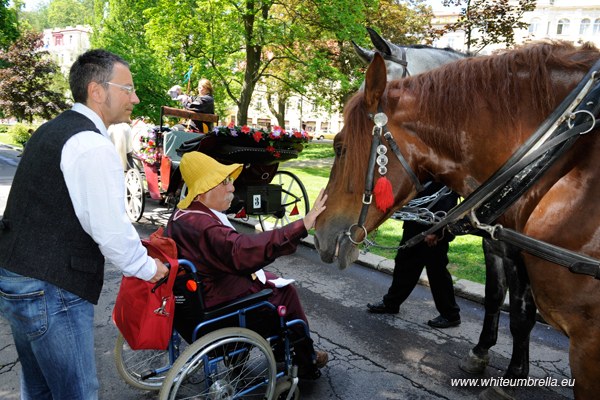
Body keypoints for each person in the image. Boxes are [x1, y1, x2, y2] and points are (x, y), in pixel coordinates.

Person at [0, 49, 169, 400]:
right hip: (51, 286)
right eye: (128, 88)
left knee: (40, 388)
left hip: (18, 276)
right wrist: (147, 267)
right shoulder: (90, 144)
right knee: (77, 392)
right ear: (97, 90)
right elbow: (108, 228)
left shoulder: (53, 129)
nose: (134, 98)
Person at [165, 151, 329, 378]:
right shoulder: (205, 225)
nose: (231, 188)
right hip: (216, 303)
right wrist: (301, 224)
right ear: (203, 191)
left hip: (199, 296)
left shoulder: (183, 215)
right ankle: (305, 361)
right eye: (224, 182)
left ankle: (268, 351)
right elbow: (243, 250)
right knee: (285, 291)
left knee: (269, 279)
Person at [366, 182, 461, 328]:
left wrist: (436, 231)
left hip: (434, 228)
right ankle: (391, 303)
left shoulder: (444, 172)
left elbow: (448, 201)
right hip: (415, 222)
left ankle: (451, 315)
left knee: (437, 271)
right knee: (404, 263)